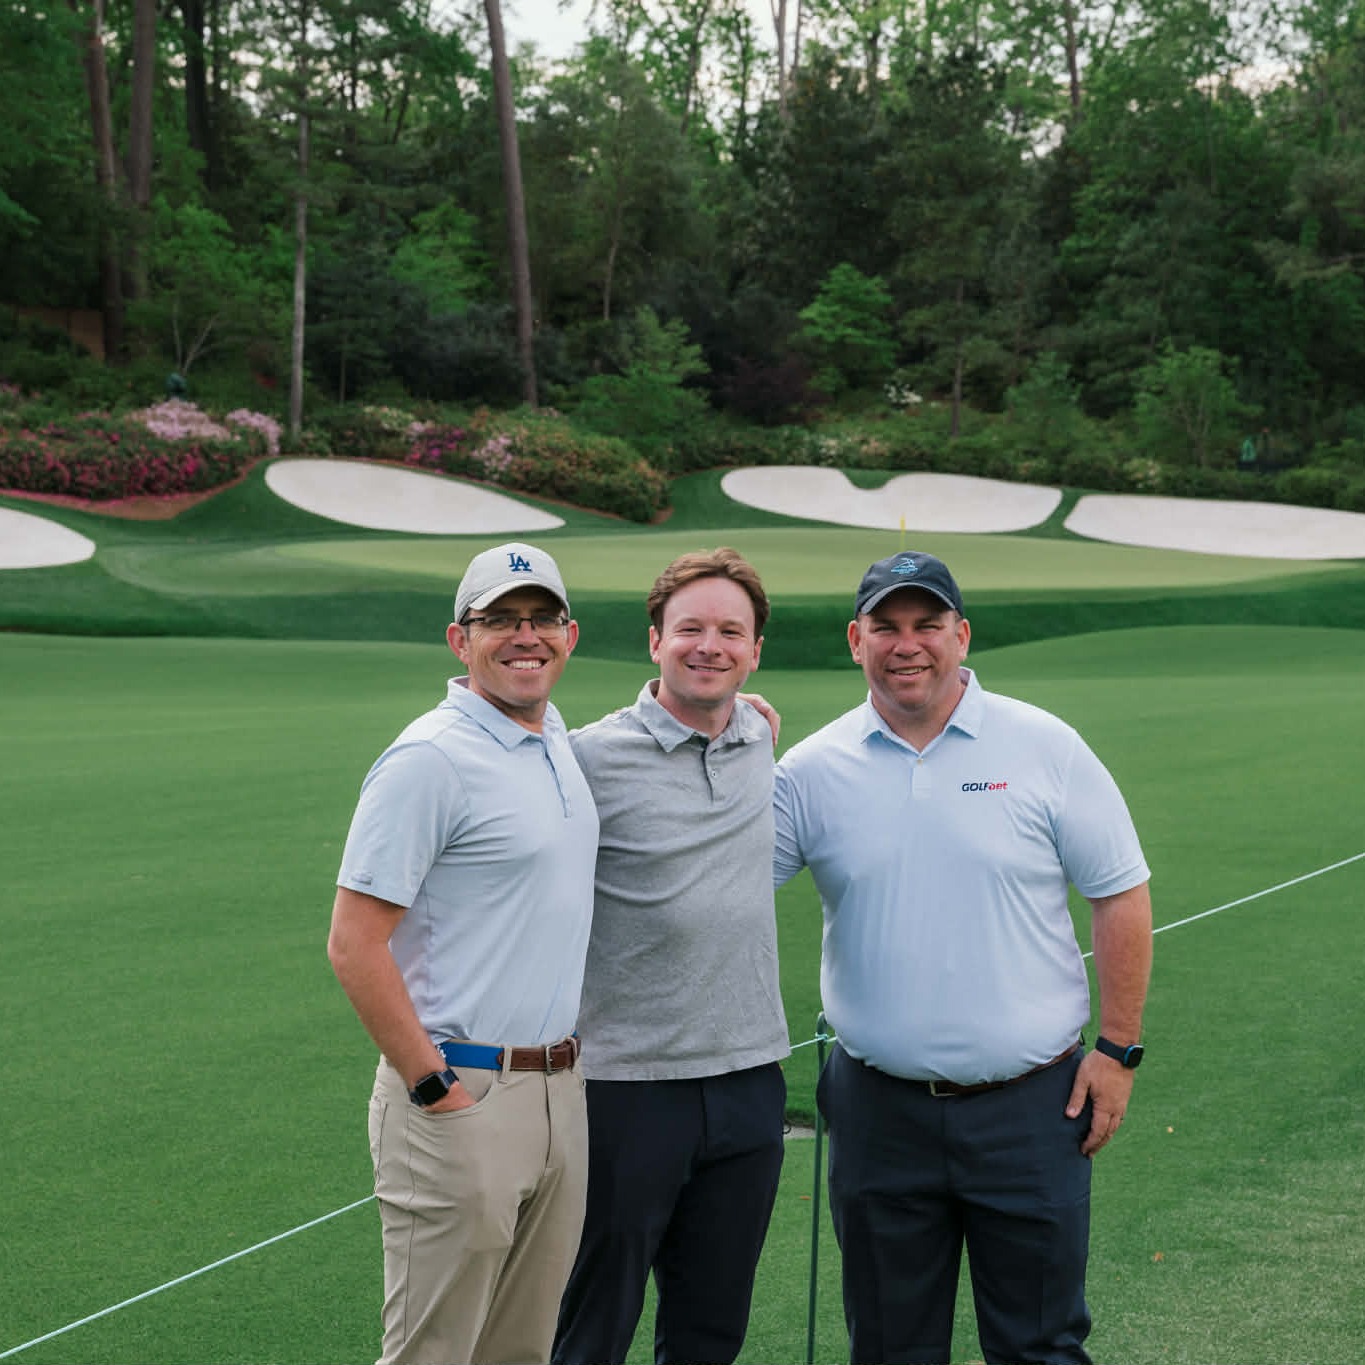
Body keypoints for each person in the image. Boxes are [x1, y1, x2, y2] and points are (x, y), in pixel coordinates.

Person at [773, 549, 1153, 1365]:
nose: (906, 644)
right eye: (885, 626)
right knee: (889, 1344)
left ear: (960, 634)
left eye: (926, 624)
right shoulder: (805, 771)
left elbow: (1119, 892)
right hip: (877, 1112)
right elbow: (718, 891)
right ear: (854, 639)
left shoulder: (1043, 745)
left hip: (1030, 1108)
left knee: (1040, 1345)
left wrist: (1118, 1050)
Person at [327, 541, 599, 1365]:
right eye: (500, 621)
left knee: (520, 1349)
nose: (525, 636)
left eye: (541, 618)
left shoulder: (553, 738)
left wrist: (742, 711)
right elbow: (352, 941)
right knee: (433, 1353)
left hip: (558, 1091)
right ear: (460, 639)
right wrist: (434, 1085)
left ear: (570, 633)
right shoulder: (429, 758)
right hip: (459, 1089)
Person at [553, 548, 791, 1365]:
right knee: (591, 1329)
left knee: (709, 1331)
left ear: (755, 650)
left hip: (750, 1080)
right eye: (689, 628)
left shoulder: (757, 733)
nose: (709, 645)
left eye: (731, 630)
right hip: (624, 1089)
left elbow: (754, 720)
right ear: (654, 639)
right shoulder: (584, 759)